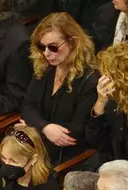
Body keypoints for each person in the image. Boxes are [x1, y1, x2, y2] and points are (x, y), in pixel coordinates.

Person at [21, 12, 99, 166]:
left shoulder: (89, 79)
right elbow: (27, 105)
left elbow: (73, 134)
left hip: (67, 159)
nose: (46, 53)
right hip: (39, 146)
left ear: (73, 42)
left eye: (53, 47)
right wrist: (45, 127)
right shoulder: (44, 67)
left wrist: (33, 127)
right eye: (41, 46)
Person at [85, 42, 128, 164]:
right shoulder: (116, 103)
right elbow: (97, 142)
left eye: (107, 76)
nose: (102, 81)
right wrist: (100, 103)